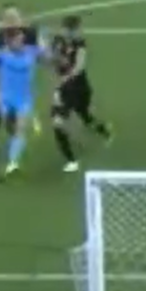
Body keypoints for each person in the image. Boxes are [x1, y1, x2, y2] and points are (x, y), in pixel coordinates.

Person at [48, 15, 114, 173]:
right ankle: (71, 160)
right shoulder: (57, 42)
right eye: (72, 30)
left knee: (85, 118)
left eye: (76, 30)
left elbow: (79, 67)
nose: (76, 33)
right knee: (57, 122)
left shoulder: (80, 44)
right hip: (64, 89)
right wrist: (55, 63)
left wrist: (63, 79)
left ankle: (103, 130)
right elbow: (53, 62)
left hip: (79, 89)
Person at [0, 26, 43, 176]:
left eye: (22, 39)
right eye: (18, 40)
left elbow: (48, 57)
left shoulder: (31, 52)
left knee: (20, 130)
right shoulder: (2, 55)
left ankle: (13, 163)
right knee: (9, 128)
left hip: (24, 99)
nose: (21, 42)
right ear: (9, 41)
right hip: (5, 98)